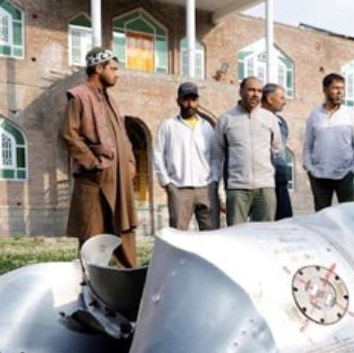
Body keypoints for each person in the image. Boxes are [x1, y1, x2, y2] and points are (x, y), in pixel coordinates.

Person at [62, 47, 138, 267]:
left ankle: (130, 279)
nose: (117, 74)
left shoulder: (111, 100)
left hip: (119, 180)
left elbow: (122, 135)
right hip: (94, 180)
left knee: (124, 230)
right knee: (92, 236)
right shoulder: (78, 96)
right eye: (113, 69)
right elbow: (69, 135)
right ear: (98, 69)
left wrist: (130, 160)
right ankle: (92, 282)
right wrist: (93, 163)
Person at [153, 82, 220, 231]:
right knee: (179, 234)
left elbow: (215, 156)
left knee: (211, 234)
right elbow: (157, 154)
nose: (190, 104)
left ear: (198, 101)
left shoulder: (206, 127)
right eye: (186, 99)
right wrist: (167, 183)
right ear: (178, 101)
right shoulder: (168, 126)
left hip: (206, 188)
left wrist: (215, 180)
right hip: (179, 187)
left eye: (193, 99)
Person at [216, 77, 281, 226]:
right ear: (241, 92)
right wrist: (221, 192)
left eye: (259, 91)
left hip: (265, 187)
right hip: (237, 188)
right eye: (251, 90)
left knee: (265, 234)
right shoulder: (226, 119)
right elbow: (218, 154)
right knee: (236, 234)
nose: (256, 94)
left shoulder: (269, 119)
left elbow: (276, 148)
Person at [303, 73, 354, 211]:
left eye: (342, 88)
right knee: (321, 216)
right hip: (319, 174)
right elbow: (308, 144)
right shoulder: (315, 115)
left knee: (349, 214)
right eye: (335, 88)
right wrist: (309, 167)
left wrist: (353, 169)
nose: (339, 92)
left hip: (344, 174)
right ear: (325, 90)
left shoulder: (351, 115)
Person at [261, 83, 292, 220]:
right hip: (263, 180)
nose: (284, 102)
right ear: (269, 98)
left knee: (285, 219)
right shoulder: (256, 119)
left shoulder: (281, 122)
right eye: (281, 98)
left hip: (280, 179)